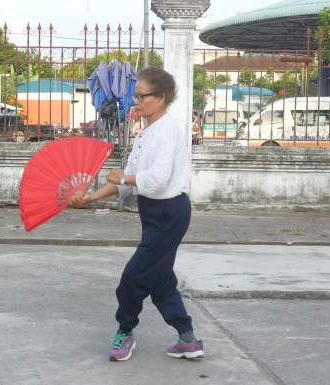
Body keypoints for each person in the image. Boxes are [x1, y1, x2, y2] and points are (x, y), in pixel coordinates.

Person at [70, 67, 203, 362]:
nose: (136, 102)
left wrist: (123, 179)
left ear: (161, 98)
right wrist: (90, 197)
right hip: (153, 213)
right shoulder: (145, 134)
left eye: (142, 96)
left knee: (132, 278)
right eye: (136, 96)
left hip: (170, 212)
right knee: (160, 279)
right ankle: (188, 339)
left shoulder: (169, 130)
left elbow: (155, 179)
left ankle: (125, 331)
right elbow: (128, 179)